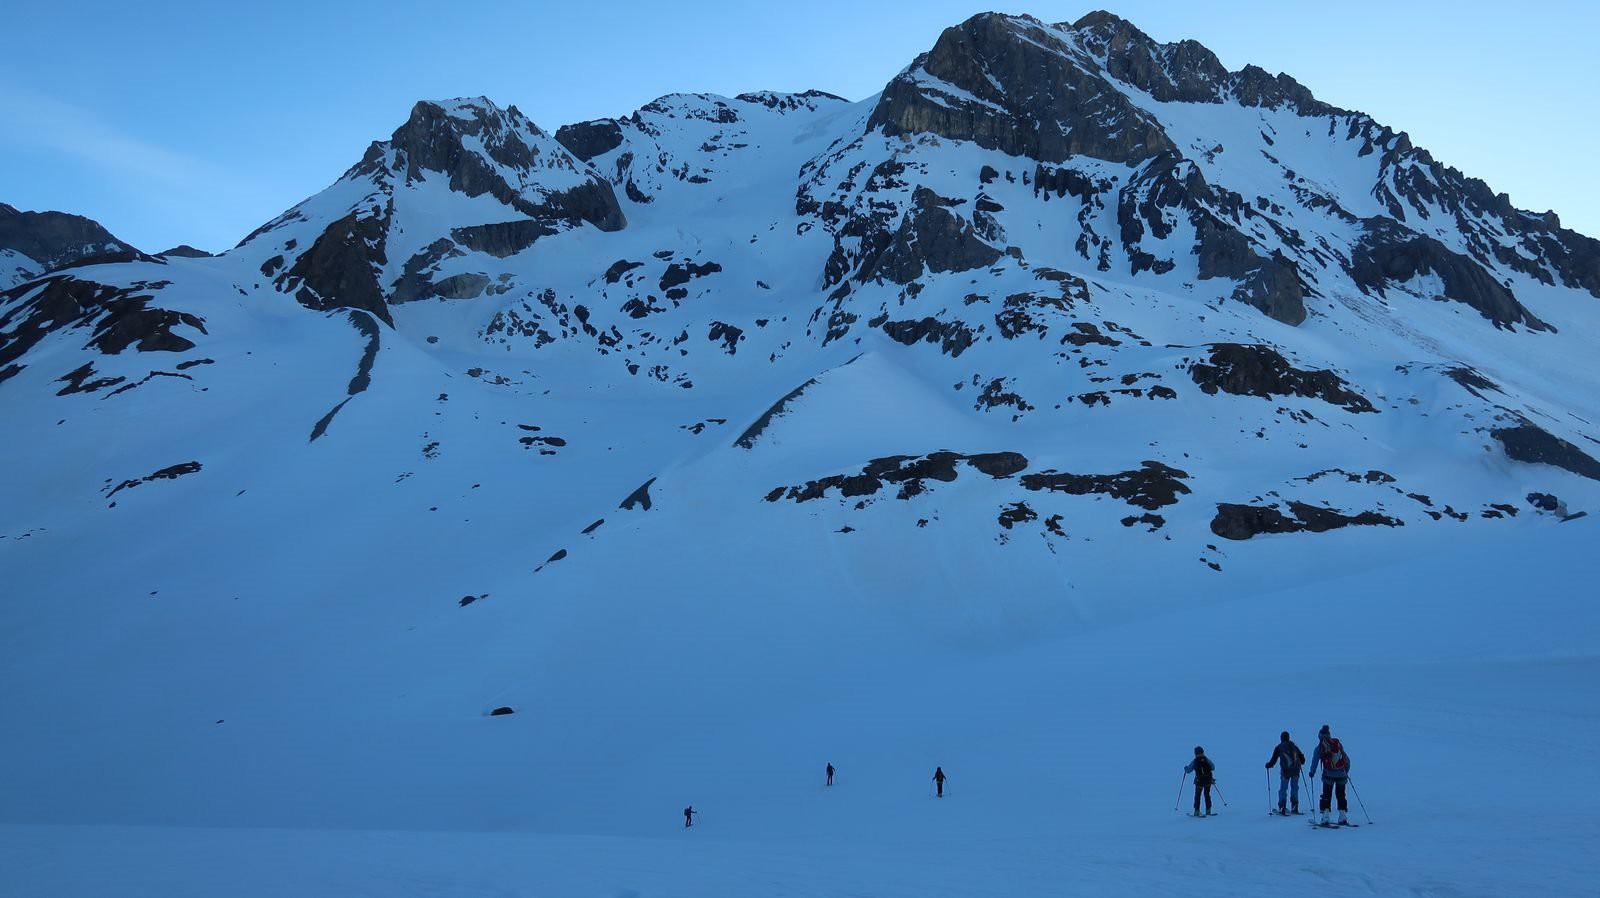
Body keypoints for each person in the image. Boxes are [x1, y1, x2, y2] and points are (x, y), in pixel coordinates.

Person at [1307, 724, 1351, 825]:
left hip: (1328, 775)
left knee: (1326, 795)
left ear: (1319, 736)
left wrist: (1312, 772)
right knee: (1341, 795)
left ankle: (1325, 817)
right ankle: (1342, 817)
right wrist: (1345, 772)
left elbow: (1315, 761)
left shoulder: (1319, 748)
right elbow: (1347, 760)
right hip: (1341, 774)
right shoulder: (1337, 744)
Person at [1264, 730, 1306, 815]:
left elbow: (1273, 760)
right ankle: (1294, 806)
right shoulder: (1294, 746)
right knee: (1294, 788)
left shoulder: (1279, 747)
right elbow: (1303, 760)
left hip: (1285, 772)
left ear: (1281, 738)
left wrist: (1268, 765)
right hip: (1296, 771)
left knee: (1283, 789)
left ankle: (1282, 807)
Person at [1185, 746, 1215, 816]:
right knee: (1207, 795)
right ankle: (1208, 810)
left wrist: (1185, 768)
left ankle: (1197, 811)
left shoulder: (1195, 760)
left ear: (1195, 753)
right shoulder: (1206, 759)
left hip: (1199, 781)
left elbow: (1188, 771)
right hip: (1208, 780)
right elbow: (1213, 767)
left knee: (1198, 795)